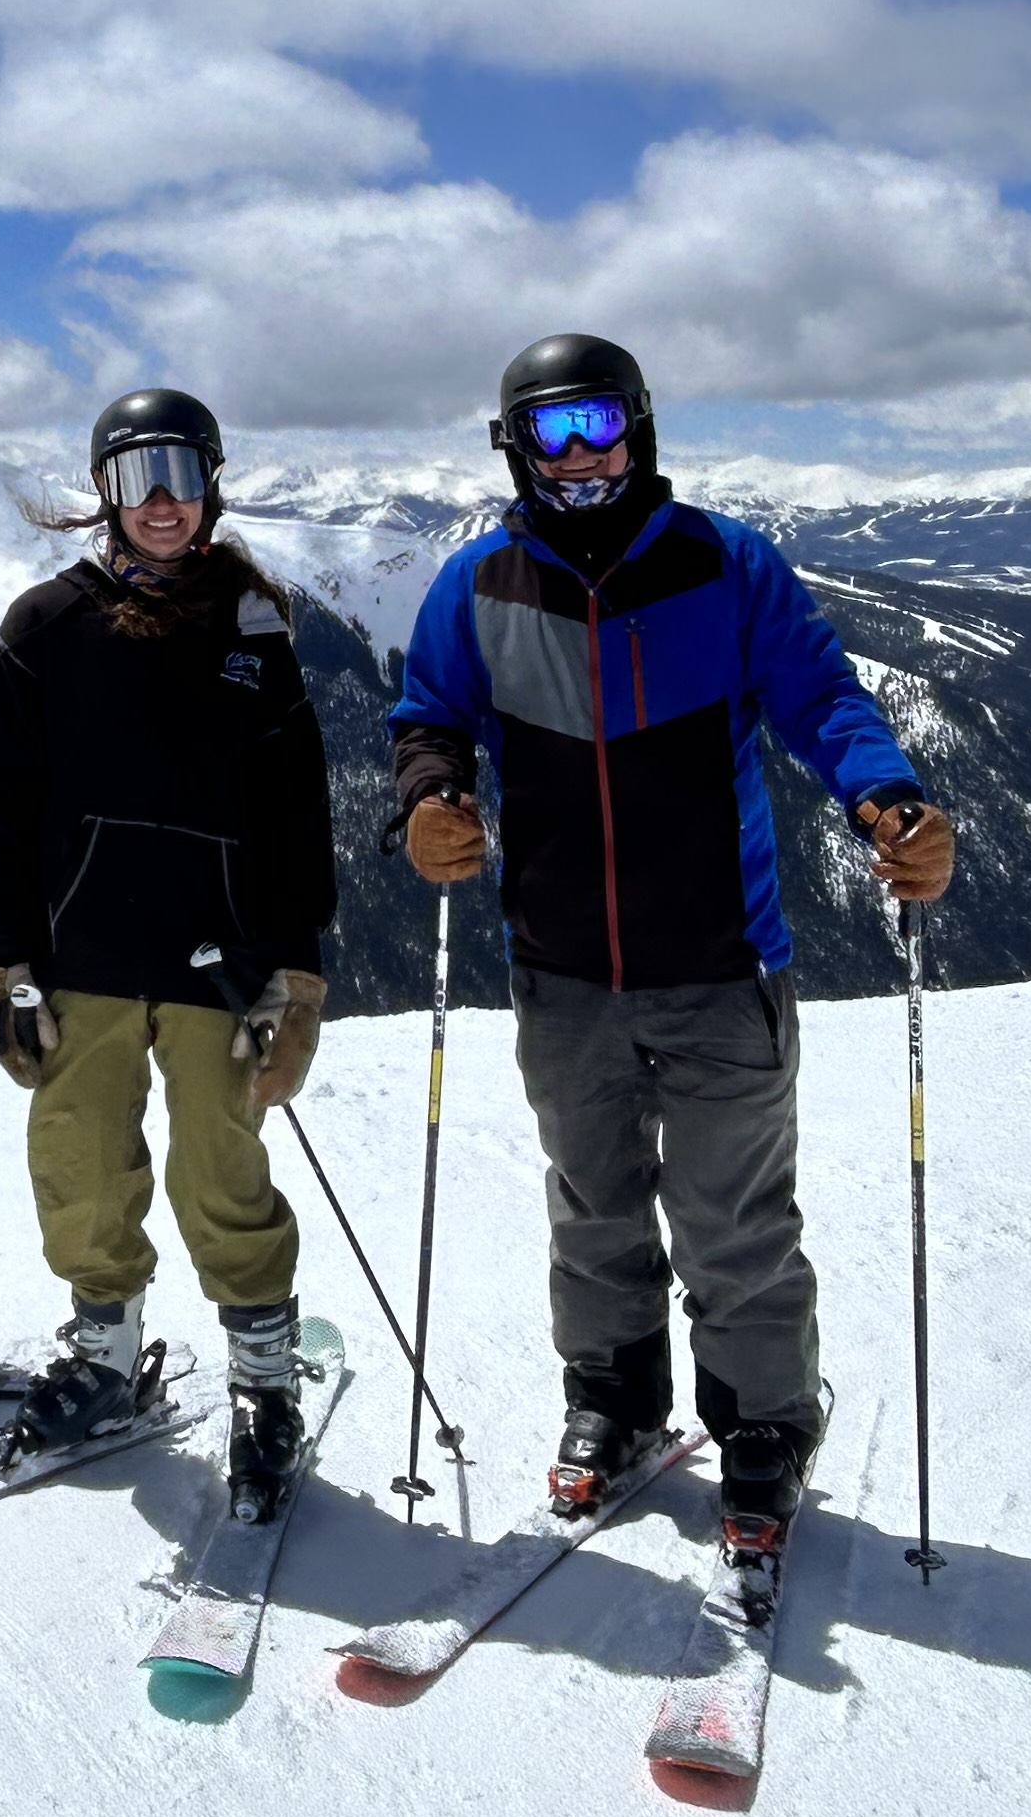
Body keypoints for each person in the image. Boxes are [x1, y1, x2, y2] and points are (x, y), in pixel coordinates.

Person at [389, 332, 955, 1571]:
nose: (582, 455)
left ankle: (764, 1424)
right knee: (593, 1203)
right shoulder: (479, 586)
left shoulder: (724, 566)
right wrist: (430, 794)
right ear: (513, 448)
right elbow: (430, 712)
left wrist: (888, 799)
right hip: (562, 969)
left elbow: (823, 700)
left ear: (641, 427)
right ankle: (616, 1396)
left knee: (732, 1215)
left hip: (718, 962)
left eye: (600, 424)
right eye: (552, 431)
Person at [0, 389, 334, 1519]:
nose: (161, 499)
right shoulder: (45, 625)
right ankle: (105, 1356)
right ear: (103, 495)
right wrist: (4, 958)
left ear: (212, 483)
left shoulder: (253, 628)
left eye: (179, 471)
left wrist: (299, 967)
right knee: (78, 1158)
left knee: (220, 1166)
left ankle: (263, 1382)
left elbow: (295, 811)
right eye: (135, 476)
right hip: (81, 954)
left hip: (216, 959)